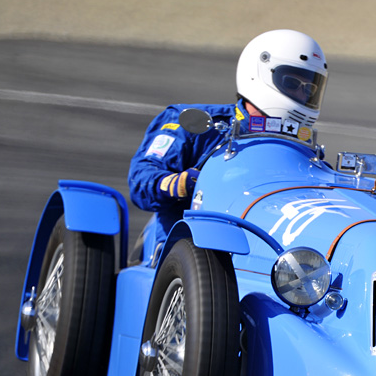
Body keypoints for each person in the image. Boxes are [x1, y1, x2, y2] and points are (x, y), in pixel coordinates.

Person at [127, 29, 328, 263]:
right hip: (186, 256)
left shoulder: (305, 149)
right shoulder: (196, 123)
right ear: (258, 74)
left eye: (309, 89)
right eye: (292, 82)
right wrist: (178, 183)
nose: (301, 95)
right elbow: (141, 179)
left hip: (268, 257)